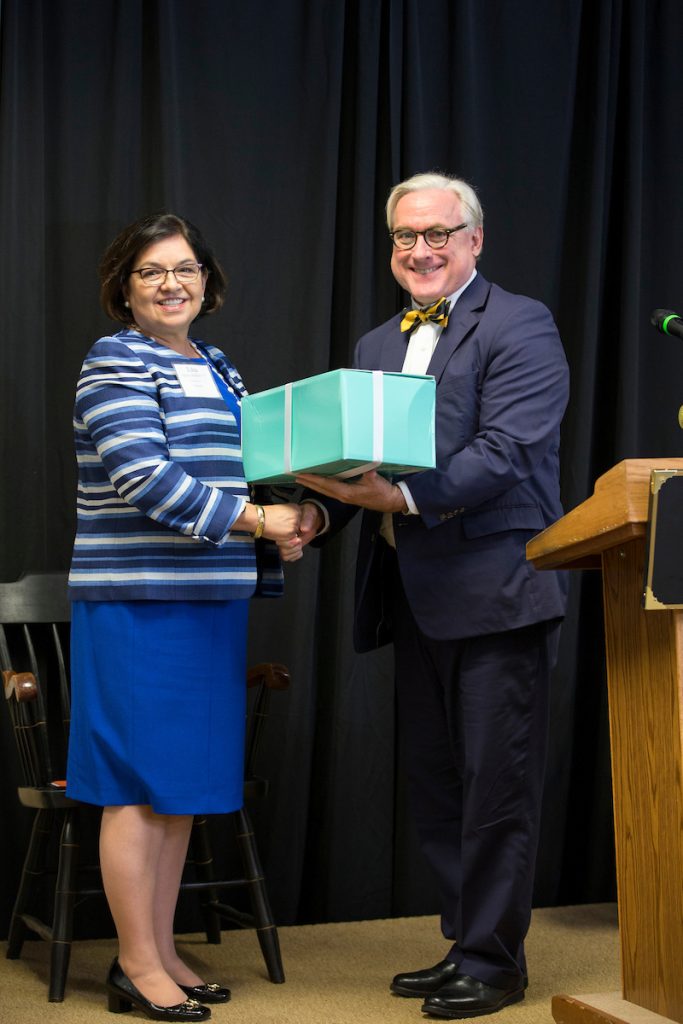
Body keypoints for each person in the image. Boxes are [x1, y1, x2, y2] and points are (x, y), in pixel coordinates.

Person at [291, 172, 569, 1019]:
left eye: (438, 234)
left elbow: (509, 451)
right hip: (412, 595)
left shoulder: (521, 323)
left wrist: (401, 499)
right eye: (405, 237)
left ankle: (494, 963)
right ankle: (466, 944)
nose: (421, 250)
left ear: (473, 239)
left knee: (495, 785)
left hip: (494, 593)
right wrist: (308, 509)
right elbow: (356, 467)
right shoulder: (378, 342)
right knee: (441, 783)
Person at [66, 212, 301, 1022]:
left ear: (209, 280)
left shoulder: (220, 365)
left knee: (177, 790)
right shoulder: (114, 360)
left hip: (211, 599)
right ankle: (133, 965)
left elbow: (247, 473)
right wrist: (256, 523)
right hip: (140, 600)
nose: (172, 283)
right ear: (123, 289)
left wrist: (285, 523)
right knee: (136, 785)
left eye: (186, 268)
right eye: (150, 272)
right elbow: (144, 477)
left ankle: (161, 951)